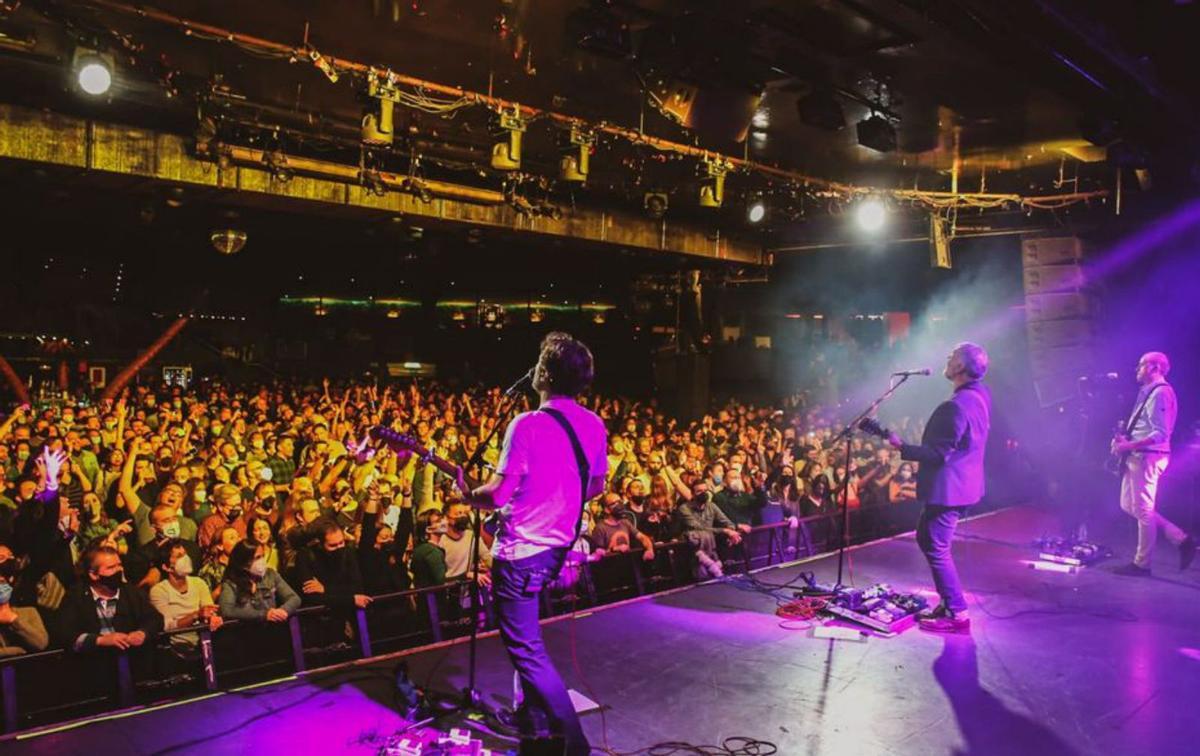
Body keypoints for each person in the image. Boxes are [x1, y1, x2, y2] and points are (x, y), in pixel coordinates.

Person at [456, 332, 607, 756]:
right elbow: (594, 485)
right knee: (530, 642)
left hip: (521, 552)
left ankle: (574, 744)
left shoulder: (526, 424)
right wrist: (552, 495)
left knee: (527, 651)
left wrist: (467, 492)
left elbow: (498, 496)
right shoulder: (594, 424)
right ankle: (536, 727)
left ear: (542, 373)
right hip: (556, 549)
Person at [887, 342, 991, 634]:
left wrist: (901, 447)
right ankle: (949, 602)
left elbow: (937, 453)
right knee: (926, 537)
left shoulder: (955, 406)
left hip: (950, 488)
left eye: (952, 356)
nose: (947, 357)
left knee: (936, 545)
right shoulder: (980, 395)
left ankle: (956, 612)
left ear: (960, 367)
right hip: (965, 484)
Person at [1111, 351, 1195, 575]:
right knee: (1129, 506)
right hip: (1140, 455)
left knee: (1144, 511)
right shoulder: (1151, 392)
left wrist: (1128, 446)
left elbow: (1160, 432)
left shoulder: (1160, 394)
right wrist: (1125, 441)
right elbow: (1146, 427)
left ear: (1155, 368)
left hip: (1148, 457)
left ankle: (1142, 564)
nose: (1137, 369)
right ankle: (1180, 538)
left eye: (1141, 365)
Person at [58, 543, 163, 653]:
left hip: (130, 658)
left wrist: (142, 633)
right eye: (111, 567)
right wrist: (100, 640)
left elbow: (155, 619)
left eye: (119, 565)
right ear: (93, 574)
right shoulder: (76, 596)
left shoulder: (131, 592)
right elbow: (65, 634)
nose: (119, 570)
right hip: (93, 661)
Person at [148, 538, 223, 653]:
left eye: (185, 554)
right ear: (166, 567)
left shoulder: (199, 583)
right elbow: (167, 626)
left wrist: (212, 617)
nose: (186, 559)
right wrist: (195, 615)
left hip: (205, 643)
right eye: (179, 556)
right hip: (176, 649)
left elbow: (209, 610)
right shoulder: (159, 591)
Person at [217, 540, 301, 623]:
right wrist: (264, 615)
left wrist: (281, 612)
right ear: (244, 562)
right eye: (257, 557)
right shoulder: (231, 583)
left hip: (272, 631)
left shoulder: (270, 575)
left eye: (263, 556)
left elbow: (294, 598)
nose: (262, 561)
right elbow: (227, 611)